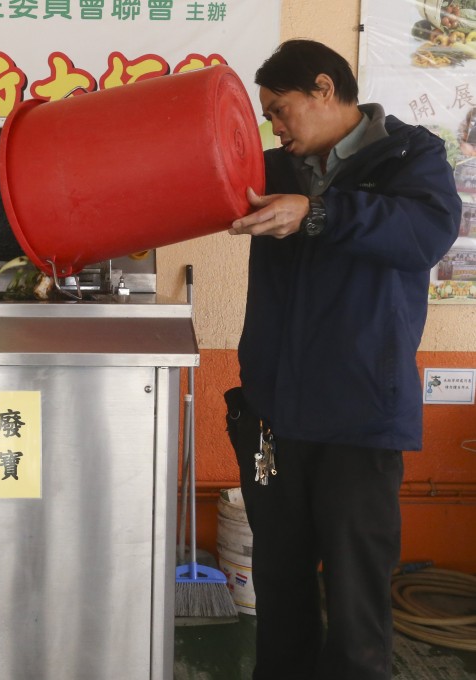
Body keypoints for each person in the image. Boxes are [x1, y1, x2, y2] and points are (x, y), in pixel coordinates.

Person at [225, 40, 461, 680]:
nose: (274, 125)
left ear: (325, 90)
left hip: (361, 416)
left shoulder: (412, 157)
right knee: (281, 584)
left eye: (280, 109)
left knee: (358, 599)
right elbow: (187, 192)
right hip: (275, 412)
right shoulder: (274, 169)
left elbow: (425, 235)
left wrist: (319, 212)